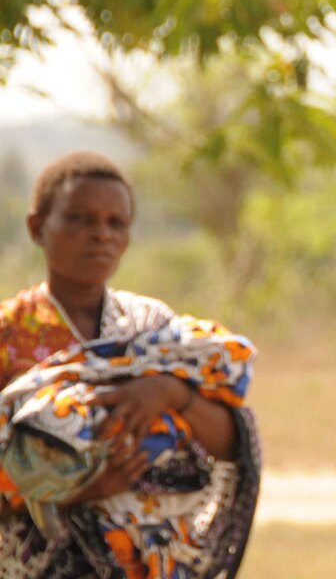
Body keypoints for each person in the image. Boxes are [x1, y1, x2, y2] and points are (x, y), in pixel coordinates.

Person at [0, 151, 260, 578]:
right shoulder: (10, 335)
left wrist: (172, 394)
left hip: (156, 562)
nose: (100, 234)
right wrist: (72, 490)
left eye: (114, 223)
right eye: (79, 219)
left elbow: (233, 444)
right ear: (37, 227)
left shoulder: (156, 329)